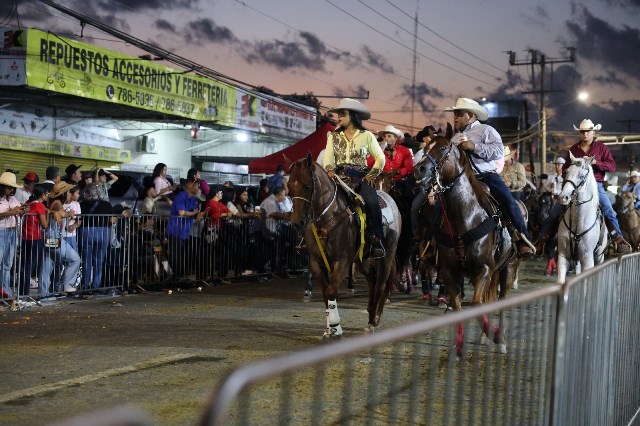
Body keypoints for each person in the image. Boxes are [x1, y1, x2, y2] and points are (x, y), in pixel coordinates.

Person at [444, 97, 534, 258]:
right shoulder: (455, 138)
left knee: (508, 201)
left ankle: (523, 238)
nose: (455, 117)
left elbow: (498, 152)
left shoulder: (486, 130)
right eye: (454, 114)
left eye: (459, 113)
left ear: (470, 116)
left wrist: (474, 146)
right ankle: (432, 242)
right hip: (461, 179)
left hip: (485, 176)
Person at [534, 119, 632, 255]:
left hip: (595, 186)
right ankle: (542, 239)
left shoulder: (601, 148)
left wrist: (597, 162)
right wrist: (568, 181)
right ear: (580, 133)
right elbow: (565, 169)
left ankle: (618, 239)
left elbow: (612, 166)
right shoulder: (573, 149)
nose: (585, 134)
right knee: (555, 210)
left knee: (608, 209)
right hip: (575, 186)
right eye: (582, 131)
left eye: (587, 131)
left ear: (593, 132)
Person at [323, 98, 387, 258]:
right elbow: (328, 158)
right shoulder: (333, 137)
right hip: (339, 175)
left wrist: (372, 175)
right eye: (338, 114)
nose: (339, 117)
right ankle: (308, 237)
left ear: (352, 115)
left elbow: (380, 158)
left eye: (342, 114)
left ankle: (377, 240)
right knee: (319, 198)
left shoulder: (367, 136)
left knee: (372, 203)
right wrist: (330, 169)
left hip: (361, 177)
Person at [40, 182, 81, 296]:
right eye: (68, 192)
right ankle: (67, 285)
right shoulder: (57, 203)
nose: (69, 194)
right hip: (54, 238)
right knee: (75, 259)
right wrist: (69, 213)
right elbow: (60, 212)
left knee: (46, 267)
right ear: (63, 194)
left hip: (48, 237)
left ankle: (43, 295)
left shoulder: (53, 203)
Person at [166, 176, 206, 278]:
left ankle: (179, 277)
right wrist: (194, 214)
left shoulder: (193, 198)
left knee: (181, 256)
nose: (198, 188)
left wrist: (198, 215)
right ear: (190, 186)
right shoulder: (181, 196)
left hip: (184, 231)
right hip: (175, 231)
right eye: (196, 185)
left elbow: (193, 213)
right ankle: (175, 277)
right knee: (175, 256)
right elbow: (182, 212)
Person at [368, 124, 414, 197]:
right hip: (381, 183)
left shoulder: (404, 151)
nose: (386, 138)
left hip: (399, 184)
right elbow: (369, 164)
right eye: (384, 136)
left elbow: (410, 168)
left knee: (408, 198)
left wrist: (398, 171)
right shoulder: (378, 150)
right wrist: (380, 150)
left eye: (389, 136)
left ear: (395, 138)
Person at [0, 172, 26, 299]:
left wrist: (22, 210)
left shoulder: (13, 199)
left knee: (7, 264)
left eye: (12, 187)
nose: (11, 189)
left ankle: (5, 292)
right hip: (1, 231)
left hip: (11, 231)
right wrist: (10, 212)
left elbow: (20, 209)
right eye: (8, 187)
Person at [19, 185, 48, 297]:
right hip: (35, 238)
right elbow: (44, 225)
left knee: (25, 265)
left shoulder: (28, 203)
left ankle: (22, 291)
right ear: (42, 195)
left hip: (25, 238)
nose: (47, 195)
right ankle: (24, 293)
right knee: (30, 266)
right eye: (46, 194)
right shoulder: (39, 206)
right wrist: (48, 214)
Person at [411, 125, 439, 237]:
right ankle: (415, 233)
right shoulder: (419, 155)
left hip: (440, 187)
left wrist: (435, 187)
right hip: (425, 188)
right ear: (424, 139)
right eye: (430, 135)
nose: (434, 137)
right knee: (414, 208)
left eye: (435, 134)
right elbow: (417, 175)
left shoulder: (439, 152)